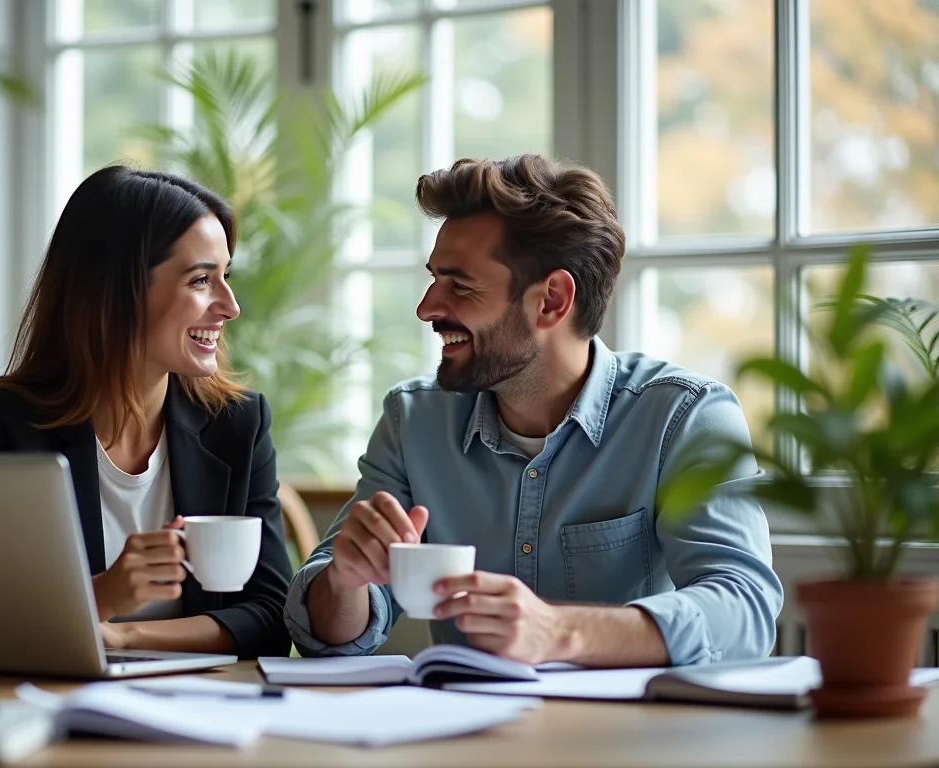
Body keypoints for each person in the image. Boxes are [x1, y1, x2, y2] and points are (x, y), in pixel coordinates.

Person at [285, 155, 782, 667]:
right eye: (434, 279)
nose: (427, 307)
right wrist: (345, 582)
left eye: (460, 284)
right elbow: (330, 634)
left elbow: (745, 608)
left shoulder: (683, 417)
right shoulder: (413, 422)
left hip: (627, 740)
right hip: (464, 737)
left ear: (551, 300)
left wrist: (562, 631)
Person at [0, 165, 292, 659]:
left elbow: (268, 614)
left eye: (226, 276)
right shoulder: (0, 425)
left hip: (205, 711)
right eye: (201, 280)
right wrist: (103, 595)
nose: (230, 306)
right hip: (48, 704)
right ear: (119, 289)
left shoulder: (237, 424)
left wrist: (126, 636)